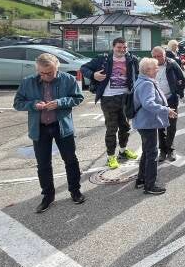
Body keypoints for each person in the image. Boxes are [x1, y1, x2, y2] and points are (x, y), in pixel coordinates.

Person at [13, 53, 85, 214]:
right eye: (42, 73)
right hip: (39, 128)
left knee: (70, 160)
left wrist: (60, 103)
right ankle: (47, 196)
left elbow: (78, 98)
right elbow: (17, 103)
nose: (45, 76)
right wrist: (33, 105)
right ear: (37, 70)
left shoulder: (68, 79)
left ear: (57, 68)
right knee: (43, 164)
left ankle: (75, 190)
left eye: (50, 73)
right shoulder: (28, 82)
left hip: (62, 126)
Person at [80, 37, 139, 169]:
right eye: (119, 47)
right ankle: (110, 156)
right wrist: (93, 75)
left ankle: (123, 151)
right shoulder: (103, 59)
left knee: (125, 127)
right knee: (112, 128)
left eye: (124, 47)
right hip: (108, 98)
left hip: (126, 97)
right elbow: (83, 68)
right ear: (113, 47)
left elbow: (137, 75)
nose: (122, 50)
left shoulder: (132, 59)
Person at [132, 57, 177, 195]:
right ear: (147, 70)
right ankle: (150, 185)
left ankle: (141, 179)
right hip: (147, 123)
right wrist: (166, 110)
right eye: (155, 68)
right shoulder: (147, 84)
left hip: (144, 122)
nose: (158, 69)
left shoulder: (143, 80)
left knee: (147, 151)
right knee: (152, 153)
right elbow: (148, 103)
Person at [151, 45, 185, 162]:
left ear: (165, 55)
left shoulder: (172, 64)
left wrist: (178, 92)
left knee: (171, 126)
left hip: (171, 99)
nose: (157, 58)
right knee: (161, 126)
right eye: (155, 56)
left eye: (159, 56)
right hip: (157, 101)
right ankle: (162, 150)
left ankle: (170, 149)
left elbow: (183, 79)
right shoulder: (150, 65)